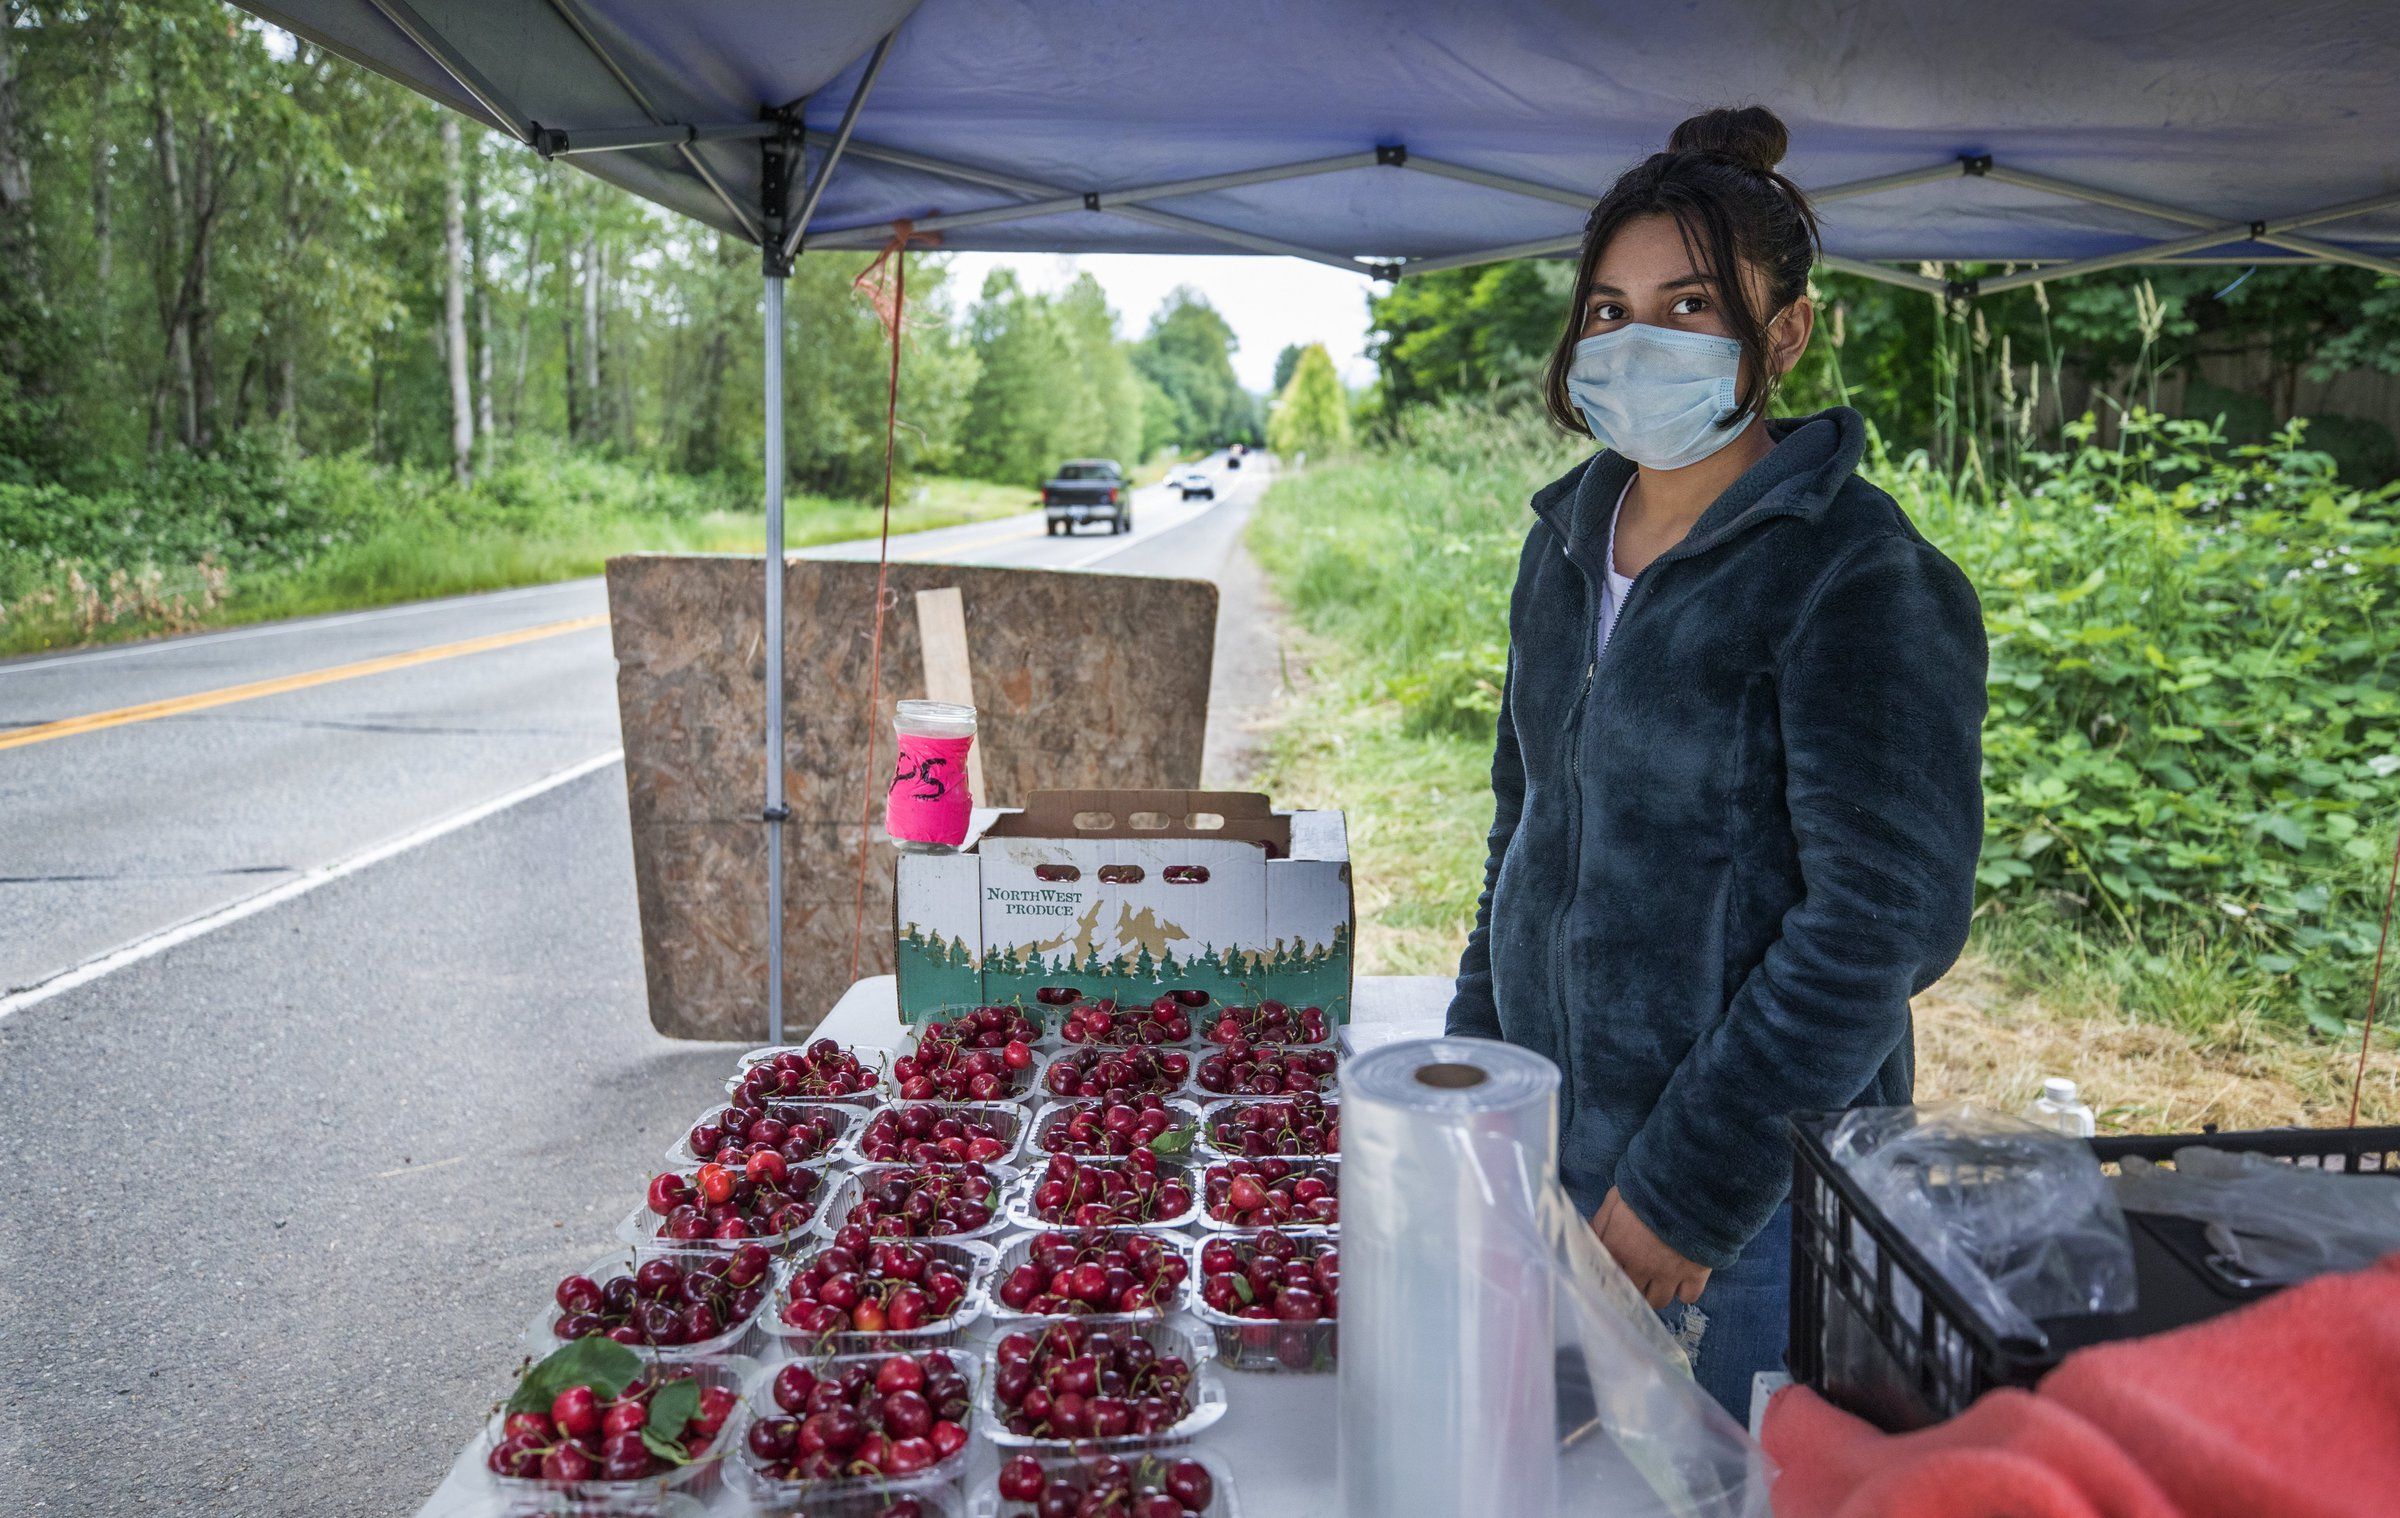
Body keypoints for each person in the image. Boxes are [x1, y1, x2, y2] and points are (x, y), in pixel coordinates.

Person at [1443, 105, 1987, 1421]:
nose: (1637, 343)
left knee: (1732, 1483)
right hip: (1551, 1154)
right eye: (1611, 308)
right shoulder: (1563, 546)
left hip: (1747, 1208)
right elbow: (1525, 830)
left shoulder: (1855, 572)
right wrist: (1475, 1072)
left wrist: (1695, 1184)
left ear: (1783, 333)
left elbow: (1881, 921)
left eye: (1689, 306)